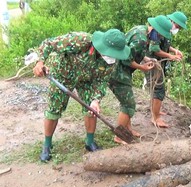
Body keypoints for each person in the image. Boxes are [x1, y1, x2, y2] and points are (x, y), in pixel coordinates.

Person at [33, 29, 130, 162]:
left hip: (88, 80)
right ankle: (47, 145)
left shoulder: (112, 60)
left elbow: (101, 81)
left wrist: (95, 100)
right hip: (64, 74)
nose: (111, 56)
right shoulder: (80, 40)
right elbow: (49, 43)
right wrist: (40, 62)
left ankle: (89, 142)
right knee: (54, 109)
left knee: (92, 110)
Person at [109, 15, 173, 144]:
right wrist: (141, 67)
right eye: (160, 35)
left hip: (122, 71)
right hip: (118, 72)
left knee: (126, 102)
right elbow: (126, 59)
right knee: (128, 105)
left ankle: (128, 129)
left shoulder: (142, 30)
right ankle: (119, 136)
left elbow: (137, 53)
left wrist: (148, 59)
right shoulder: (141, 39)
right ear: (155, 30)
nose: (160, 38)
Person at [145, 11, 188, 128]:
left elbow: (164, 44)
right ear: (173, 22)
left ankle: (155, 111)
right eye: (178, 26)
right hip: (152, 63)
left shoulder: (166, 29)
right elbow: (154, 48)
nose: (177, 29)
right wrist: (170, 56)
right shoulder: (158, 28)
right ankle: (155, 118)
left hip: (160, 63)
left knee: (157, 88)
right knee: (158, 89)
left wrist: (174, 51)